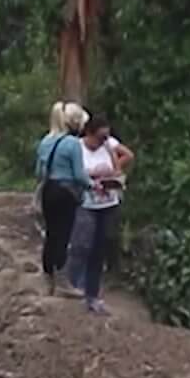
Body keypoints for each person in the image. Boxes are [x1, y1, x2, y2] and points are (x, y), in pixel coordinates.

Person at [67, 116, 134, 314]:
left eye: (106, 137)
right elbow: (74, 174)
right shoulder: (77, 148)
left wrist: (114, 175)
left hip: (108, 202)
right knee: (81, 245)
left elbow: (118, 166)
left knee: (100, 247)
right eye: (100, 137)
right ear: (89, 133)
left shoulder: (107, 148)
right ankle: (71, 285)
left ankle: (92, 295)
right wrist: (92, 176)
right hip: (86, 202)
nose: (103, 141)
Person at [33, 101, 92, 296]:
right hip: (65, 193)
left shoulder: (46, 141)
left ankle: (47, 278)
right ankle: (62, 281)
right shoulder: (73, 144)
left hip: (48, 190)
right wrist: (93, 185)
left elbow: (39, 171)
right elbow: (78, 174)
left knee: (51, 234)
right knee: (63, 235)